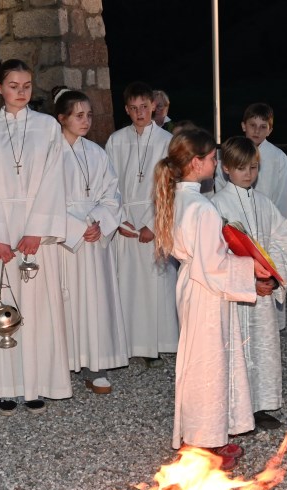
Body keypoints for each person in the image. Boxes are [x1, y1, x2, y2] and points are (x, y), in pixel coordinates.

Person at [152, 127, 271, 470]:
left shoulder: (176, 196)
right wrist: (252, 267)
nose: (217, 162)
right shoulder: (202, 208)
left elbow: (202, 260)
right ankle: (204, 442)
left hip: (191, 285)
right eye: (212, 157)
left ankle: (205, 433)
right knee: (207, 363)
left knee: (199, 359)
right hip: (205, 291)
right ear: (196, 162)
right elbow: (213, 266)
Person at [0, 59, 71, 415]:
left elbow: (54, 178)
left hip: (34, 228)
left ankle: (36, 384)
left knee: (38, 307)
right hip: (0, 227)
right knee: (1, 301)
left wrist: (36, 230)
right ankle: (5, 386)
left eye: (27, 86)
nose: (21, 92)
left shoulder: (47, 127)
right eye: (13, 86)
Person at [212, 136, 287, 431]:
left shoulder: (265, 204)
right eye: (241, 168)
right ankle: (233, 409)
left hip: (262, 295)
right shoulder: (215, 206)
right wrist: (248, 278)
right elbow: (215, 255)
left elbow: (282, 242)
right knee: (233, 348)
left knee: (261, 348)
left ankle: (258, 406)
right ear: (225, 169)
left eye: (253, 167)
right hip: (233, 296)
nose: (248, 174)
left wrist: (273, 278)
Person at [54, 87, 128, 393]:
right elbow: (43, 201)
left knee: (94, 299)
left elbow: (112, 196)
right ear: (62, 118)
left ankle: (95, 362)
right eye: (79, 115)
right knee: (63, 299)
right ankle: (60, 362)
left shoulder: (96, 153)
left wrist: (97, 222)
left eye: (89, 115)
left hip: (93, 237)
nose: (86, 121)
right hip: (63, 238)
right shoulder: (48, 155)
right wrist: (75, 227)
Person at [105, 81, 178, 364]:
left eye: (144, 108)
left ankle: (156, 343)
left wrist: (154, 223)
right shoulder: (116, 140)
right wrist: (118, 218)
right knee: (127, 284)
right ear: (126, 110)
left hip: (152, 218)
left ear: (153, 108)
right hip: (125, 221)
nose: (139, 113)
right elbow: (109, 183)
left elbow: (170, 186)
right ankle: (129, 342)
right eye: (133, 109)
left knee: (154, 284)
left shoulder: (166, 142)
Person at [215, 102, 287, 220]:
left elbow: (283, 197)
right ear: (244, 126)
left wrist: (281, 224)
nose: (257, 131)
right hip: (234, 219)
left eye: (263, 126)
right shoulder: (230, 153)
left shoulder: (279, 158)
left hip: (266, 220)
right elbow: (220, 184)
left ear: (270, 130)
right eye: (252, 125)